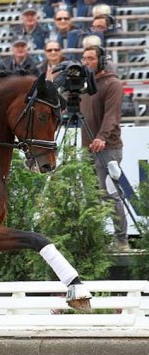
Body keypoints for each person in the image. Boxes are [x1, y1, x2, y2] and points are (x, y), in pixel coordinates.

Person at [80, 45, 129, 251]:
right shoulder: (85, 85)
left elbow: (112, 116)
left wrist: (101, 137)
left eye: (90, 58)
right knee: (91, 196)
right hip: (87, 148)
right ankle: (94, 240)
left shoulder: (112, 83)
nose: (86, 62)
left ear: (101, 61)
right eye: (84, 58)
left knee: (109, 193)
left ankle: (121, 240)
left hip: (108, 147)